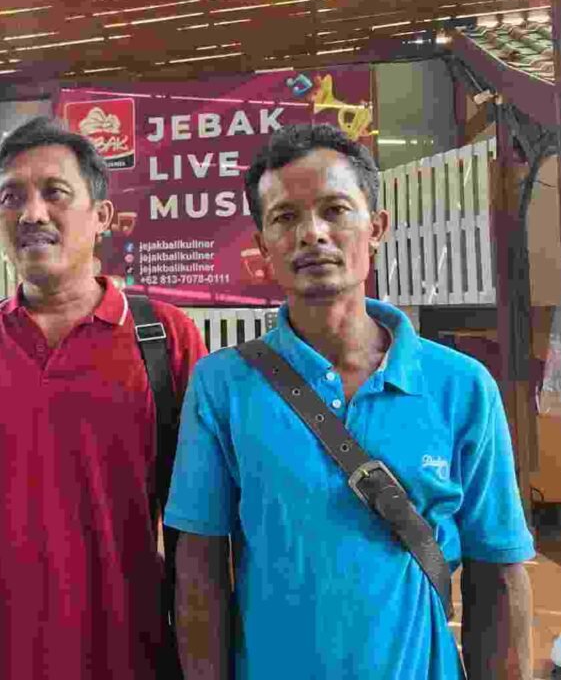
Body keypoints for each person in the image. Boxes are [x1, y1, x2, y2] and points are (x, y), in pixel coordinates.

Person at [164, 124, 534, 680]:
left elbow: (498, 573)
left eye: (335, 210)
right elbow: (199, 570)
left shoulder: (461, 386)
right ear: (263, 246)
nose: (312, 234)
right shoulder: (222, 386)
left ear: (376, 227)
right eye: (285, 217)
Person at [0, 117, 207, 679]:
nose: (32, 214)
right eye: (11, 198)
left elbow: (200, 525)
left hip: (127, 656)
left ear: (101, 216)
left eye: (55, 192)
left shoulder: (164, 338)